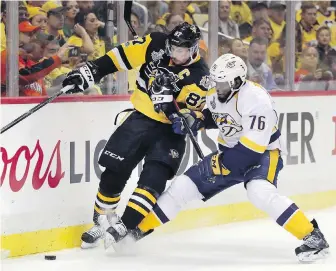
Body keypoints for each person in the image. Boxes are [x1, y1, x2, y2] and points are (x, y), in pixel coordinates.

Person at [117, 54, 330, 263]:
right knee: (182, 186)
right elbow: (214, 115)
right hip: (230, 153)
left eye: (223, 83)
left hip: (263, 154)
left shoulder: (257, 100)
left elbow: (251, 150)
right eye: (216, 82)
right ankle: (137, 231)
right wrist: (195, 120)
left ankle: (313, 236)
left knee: (259, 191)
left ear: (237, 81)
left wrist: (222, 163)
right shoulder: (217, 91)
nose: (218, 87)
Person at [61, 22, 213, 248]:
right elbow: (122, 56)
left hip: (169, 133)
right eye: (173, 48)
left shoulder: (200, 77)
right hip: (139, 119)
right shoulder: (156, 44)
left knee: (153, 180)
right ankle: (101, 222)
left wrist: (184, 118)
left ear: (193, 50)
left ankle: (125, 226)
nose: (174, 54)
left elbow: (199, 115)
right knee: (113, 173)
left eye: (181, 51)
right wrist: (93, 71)